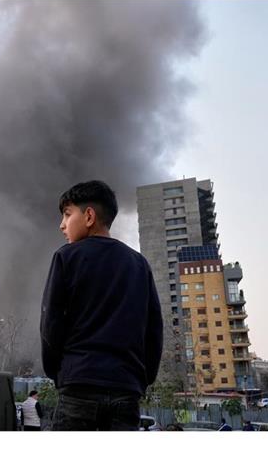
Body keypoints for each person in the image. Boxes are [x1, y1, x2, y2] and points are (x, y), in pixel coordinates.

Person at [41, 181, 163, 431]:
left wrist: (60, 372)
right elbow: (153, 330)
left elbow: (51, 323)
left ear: (88, 216)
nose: (62, 225)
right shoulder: (139, 264)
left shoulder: (66, 257)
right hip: (126, 388)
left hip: (79, 384)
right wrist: (143, 378)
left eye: (67, 214)